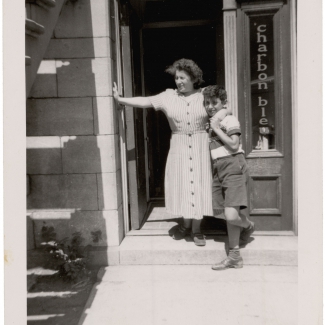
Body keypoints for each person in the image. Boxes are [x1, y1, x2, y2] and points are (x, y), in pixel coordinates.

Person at [112, 58, 230, 246]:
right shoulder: (168, 96)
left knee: (200, 185)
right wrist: (120, 99)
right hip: (179, 145)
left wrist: (218, 119)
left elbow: (225, 106)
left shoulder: (204, 94)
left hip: (201, 145)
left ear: (193, 78)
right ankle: (185, 224)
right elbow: (146, 101)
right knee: (184, 184)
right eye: (176, 78)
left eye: (183, 77)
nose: (179, 81)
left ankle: (197, 229)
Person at [203, 85, 255, 269]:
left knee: (231, 215)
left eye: (214, 103)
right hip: (219, 168)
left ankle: (248, 226)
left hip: (233, 164)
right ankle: (234, 256)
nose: (210, 106)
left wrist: (216, 128)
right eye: (207, 103)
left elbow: (234, 145)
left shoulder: (229, 119)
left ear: (223, 103)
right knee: (223, 213)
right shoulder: (215, 118)